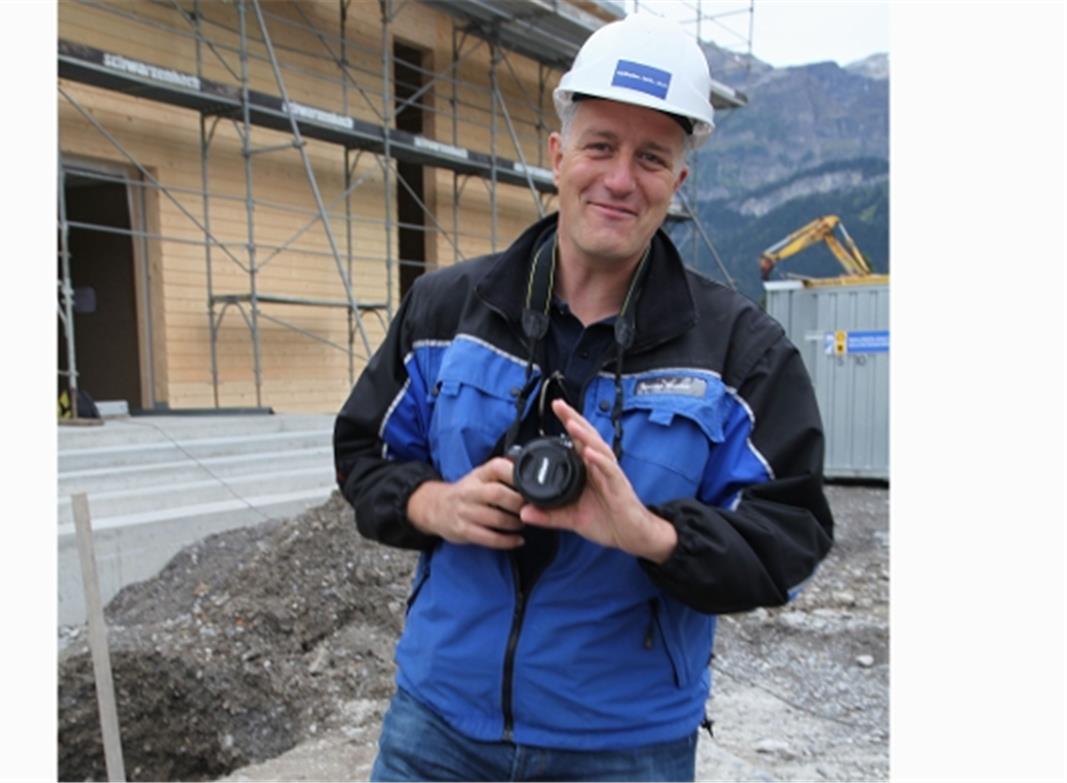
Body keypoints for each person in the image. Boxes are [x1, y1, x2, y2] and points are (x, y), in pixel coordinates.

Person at [333, 12, 834, 782]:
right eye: (600, 146)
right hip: (438, 727)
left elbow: (791, 536)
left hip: (623, 747)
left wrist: (652, 534)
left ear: (678, 182)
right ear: (558, 155)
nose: (621, 179)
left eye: (651, 157)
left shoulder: (743, 351)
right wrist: (436, 505)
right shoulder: (445, 309)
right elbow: (362, 452)